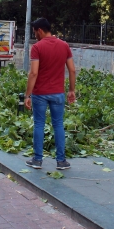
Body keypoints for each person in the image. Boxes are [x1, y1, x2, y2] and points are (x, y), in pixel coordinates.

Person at [24, 18, 76, 171]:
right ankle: (61, 161)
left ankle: (37, 160)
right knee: (58, 125)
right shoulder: (64, 45)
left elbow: (33, 73)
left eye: (35, 33)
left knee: (39, 125)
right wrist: (71, 90)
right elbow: (72, 70)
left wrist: (27, 95)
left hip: (40, 93)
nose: (35, 36)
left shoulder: (37, 47)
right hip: (58, 93)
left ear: (39, 30)